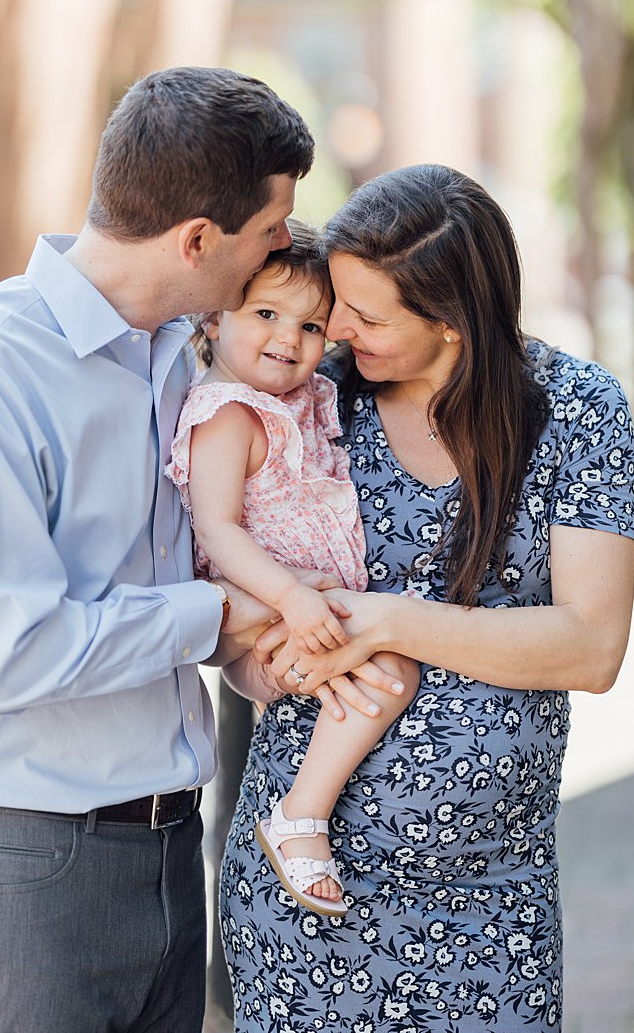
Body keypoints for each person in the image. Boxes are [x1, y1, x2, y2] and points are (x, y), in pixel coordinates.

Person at [0, 66, 315, 1033]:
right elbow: (5, 651)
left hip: (172, 848)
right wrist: (222, 615)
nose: (280, 251)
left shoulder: (187, 357)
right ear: (197, 240)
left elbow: (173, 578)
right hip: (29, 869)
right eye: (270, 231)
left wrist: (257, 653)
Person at [219, 164, 634, 1032]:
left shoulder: (578, 410)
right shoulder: (314, 397)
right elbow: (226, 583)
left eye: (368, 317)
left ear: (453, 322)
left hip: (490, 900)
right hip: (308, 894)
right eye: (339, 301)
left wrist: (391, 617)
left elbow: (593, 647)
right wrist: (264, 667)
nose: (335, 327)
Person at [165, 221, 417, 918]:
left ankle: (305, 804)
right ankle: (300, 817)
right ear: (214, 316)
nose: (289, 337)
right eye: (266, 314)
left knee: (362, 681)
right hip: (267, 608)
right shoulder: (226, 413)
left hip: (289, 613)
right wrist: (292, 599)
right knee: (394, 673)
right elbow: (217, 527)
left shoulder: (296, 401)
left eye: (311, 325)